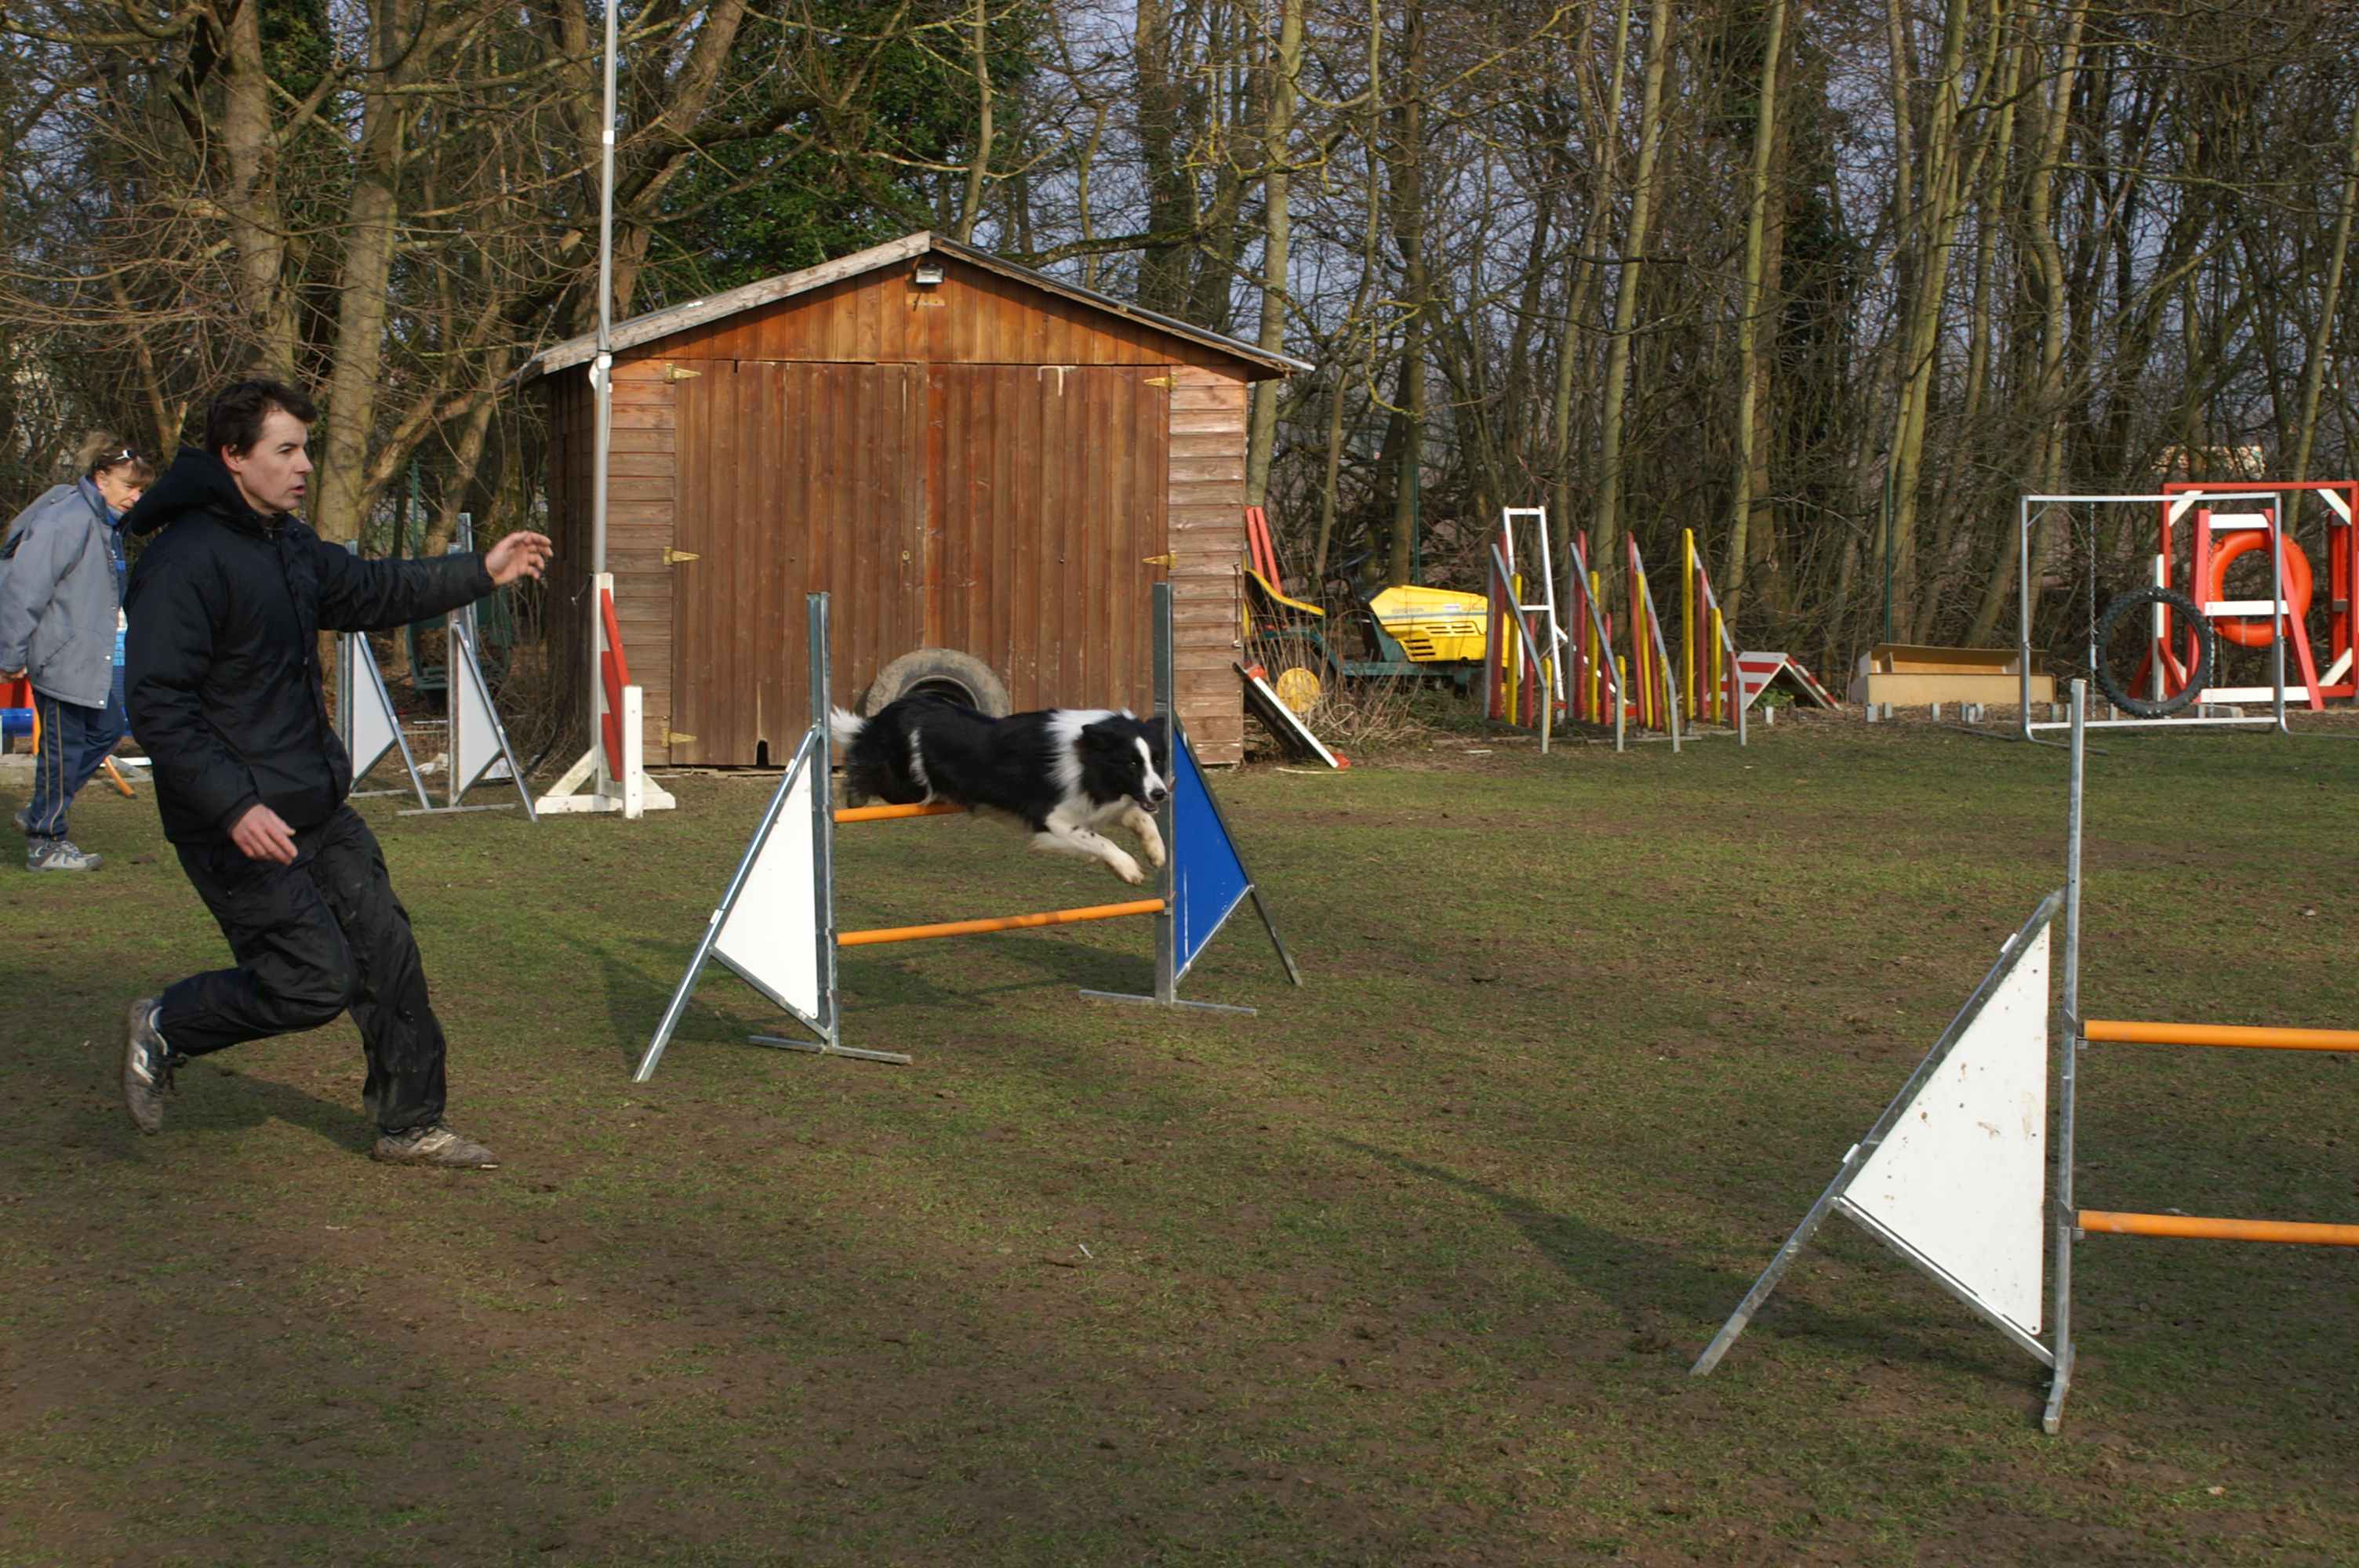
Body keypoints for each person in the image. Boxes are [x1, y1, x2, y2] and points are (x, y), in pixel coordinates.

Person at [117, 379, 552, 1168]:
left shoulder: (286, 543)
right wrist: (233, 806)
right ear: (233, 456)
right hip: (235, 825)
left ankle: (410, 1125)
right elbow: (158, 705)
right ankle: (166, 1024)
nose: (305, 466)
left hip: (314, 805)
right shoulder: (182, 562)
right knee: (311, 982)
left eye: (306, 449)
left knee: (389, 958)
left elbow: (372, 589)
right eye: (286, 450)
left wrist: (480, 572)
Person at [0, 435, 154, 869]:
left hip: (87, 659)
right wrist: (10, 655)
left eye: (141, 489)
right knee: (63, 752)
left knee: (108, 730)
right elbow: (24, 590)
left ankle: (41, 811)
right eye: (129, 486)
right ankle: (46, 842)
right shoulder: (68, 520)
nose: (136, 497)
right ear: (101, 479)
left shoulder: (105, 522)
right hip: (60, 658)